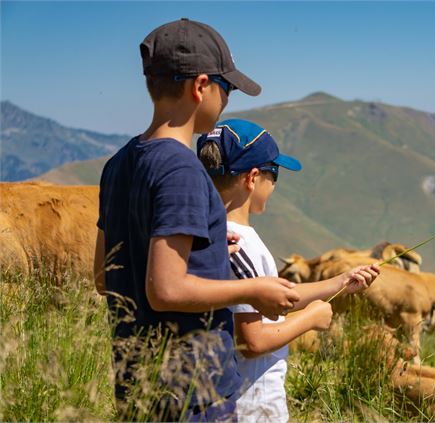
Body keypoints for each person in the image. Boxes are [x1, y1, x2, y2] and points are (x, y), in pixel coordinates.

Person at [93, 19, 301, 421]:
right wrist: (255, 289)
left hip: (139, 383)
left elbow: (105, 277)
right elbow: (166, 291)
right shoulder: (182, 170)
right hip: (190, 391)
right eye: (227, 89)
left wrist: (200, 250)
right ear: (200, 86)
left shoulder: (118, 164)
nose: (226, 101)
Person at [196, 119, 380, 422]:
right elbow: (250, 340)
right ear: (253, 178)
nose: (275, 185)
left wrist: (341, 282)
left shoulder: (211, 235)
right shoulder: (237, 245)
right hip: (252, 401)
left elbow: (274, 296)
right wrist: (311, 318)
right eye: (274, 174)